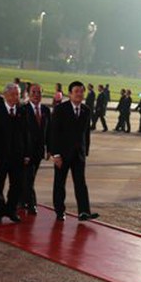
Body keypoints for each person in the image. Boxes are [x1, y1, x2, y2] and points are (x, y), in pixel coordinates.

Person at [50, 80, 98, 222]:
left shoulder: (86, 110)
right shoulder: (60, 109)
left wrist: (85, 151)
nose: (79, 94)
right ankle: (59, 211)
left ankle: (84, 211)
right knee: (60, 183)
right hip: (62, 154)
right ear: (70, 94)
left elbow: (86, 133)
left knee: (81, 183)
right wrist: (56, 154)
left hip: (79, 154)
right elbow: (54, 133)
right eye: (76, 91)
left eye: (81, 91)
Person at [0, 82, 27, 224]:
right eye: (12, 94)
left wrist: (26, 154)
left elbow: (26, 135)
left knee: (16, 185)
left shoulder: (22, 111)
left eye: (17, 94)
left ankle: (11, 211)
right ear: (5, 95)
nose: (15, 97)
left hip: (17, 157)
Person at [21, 83, 51, 214]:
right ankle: (31, 204)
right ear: (28, 94)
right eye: (33, 92)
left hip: (39, 152)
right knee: (28, 177)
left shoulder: (45, 110)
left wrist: (49, 149)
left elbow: (50, 131)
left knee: (30, 178)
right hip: (25, 151)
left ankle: (21, 200)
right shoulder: (23, 110)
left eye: (39, 92)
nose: (36, 95)